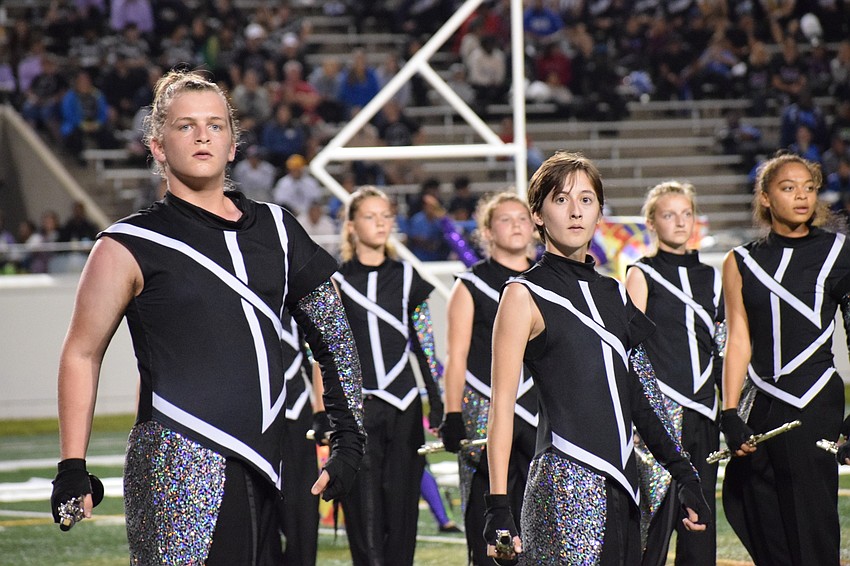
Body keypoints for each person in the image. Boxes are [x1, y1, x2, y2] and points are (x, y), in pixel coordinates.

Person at [50, 70, 365, 565]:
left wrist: (350, 437)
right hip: (175, 468)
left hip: (269, 464)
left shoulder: (280, 229)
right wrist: (72, 463)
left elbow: (335, 338)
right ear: (156, 146)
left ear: (233, 144)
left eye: (216, 125)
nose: (202, 135)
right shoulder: (127, 244)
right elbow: (82, 353)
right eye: (185, 126)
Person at [483, 151, 710, 564]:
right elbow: (500, 407)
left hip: (626, 487)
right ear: (538, 214)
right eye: (561, 199)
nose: (575, 212)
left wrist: (684, 474)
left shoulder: (616, 293)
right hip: (564, 488)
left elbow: (643, 396)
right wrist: (498, 504)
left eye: (586, 200)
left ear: (600, 212)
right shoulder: (521, 294)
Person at [720, 152, 850, 565]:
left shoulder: (840, 253)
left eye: (809, 188)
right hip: (760, 403)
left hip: (815, 402)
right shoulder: (739, 261)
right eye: (788, 188)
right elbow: (738, 338)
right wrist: (728, 412)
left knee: (812, 521)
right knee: (753, 506)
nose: (802, 196)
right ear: (765, 196)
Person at [333, 186, 444, 566]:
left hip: (404, 405)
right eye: (369, 216)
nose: (380, 223)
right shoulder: (335, 281)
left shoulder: (408, 276)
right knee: (362, 511)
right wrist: (329, 411)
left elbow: (426, 345)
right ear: (351, 226)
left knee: (401, 510)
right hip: (358, 410)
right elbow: (326, 352)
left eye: (386, 216)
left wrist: (438, 401)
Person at [624, 181, 723, 566]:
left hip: (705, 410)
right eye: (669, 214)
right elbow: (628, 349)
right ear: (651, 222)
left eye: (686, 213)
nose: (680, 222)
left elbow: (723, 343)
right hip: (661, 410)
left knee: (700, 522)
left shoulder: (712, 276)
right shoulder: (641, 273)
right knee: (657, 518)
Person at [440, 191, 538, 565]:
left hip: (539, 411)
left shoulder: (546, 279)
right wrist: (451, 413)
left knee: (540, 515)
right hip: (484, 409)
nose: (516, 225)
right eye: (505, 219)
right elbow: (457, 355)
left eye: (522, 218)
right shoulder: (470, 284)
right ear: (486, 231)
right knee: (489, 525)